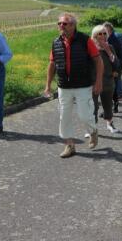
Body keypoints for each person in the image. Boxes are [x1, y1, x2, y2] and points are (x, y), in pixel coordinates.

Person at [44, 13, 103, 158]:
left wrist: (98, 81)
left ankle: (93, 131)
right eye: (59, 23)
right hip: (64, 86)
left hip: (83, 85)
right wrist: (48, 85)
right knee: (64, 116)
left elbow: (98, 61)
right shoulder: (56, 42)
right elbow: (52, 64)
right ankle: (69, 145)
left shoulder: (85, 40)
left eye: (64, 23)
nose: (61, 26)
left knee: (84, 115)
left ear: (73, 25)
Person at [90, 25, 119, 134]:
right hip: (93, 82)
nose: (102, 36)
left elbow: (116, 63)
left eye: (104, 33)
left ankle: (109, 124)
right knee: (93, 106)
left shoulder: (110, 47)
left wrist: (108, 51)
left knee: (108, 104)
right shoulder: (90, 47)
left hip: (107, 81)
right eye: (100, 33)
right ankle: (92, 128)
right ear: (95, 35)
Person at [103, 22, 122, 113]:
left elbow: (119, 56)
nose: (104, 32)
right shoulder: (103, 40)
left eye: (105, 30)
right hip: (105, 69)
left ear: (110, 30)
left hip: (114, 68)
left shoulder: (114, 41)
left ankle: (112, 106)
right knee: (108, 88)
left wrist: (116, 70)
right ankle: (113, 105)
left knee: (110, 88)